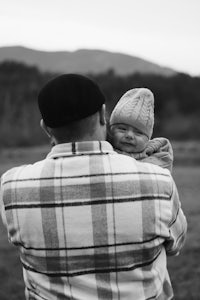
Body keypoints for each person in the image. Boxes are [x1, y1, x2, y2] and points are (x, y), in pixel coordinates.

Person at [0, 74, 187, 300]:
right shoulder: (160, 181)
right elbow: (176, 244)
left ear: (45, 128)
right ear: (103, 115)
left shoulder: (11, 187)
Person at [108, 88, 174, 172]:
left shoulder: (156, 160)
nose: (129, 135)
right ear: (110, 130)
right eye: (122, 129)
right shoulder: (102, 153)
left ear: (147, 139)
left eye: (138, 132)